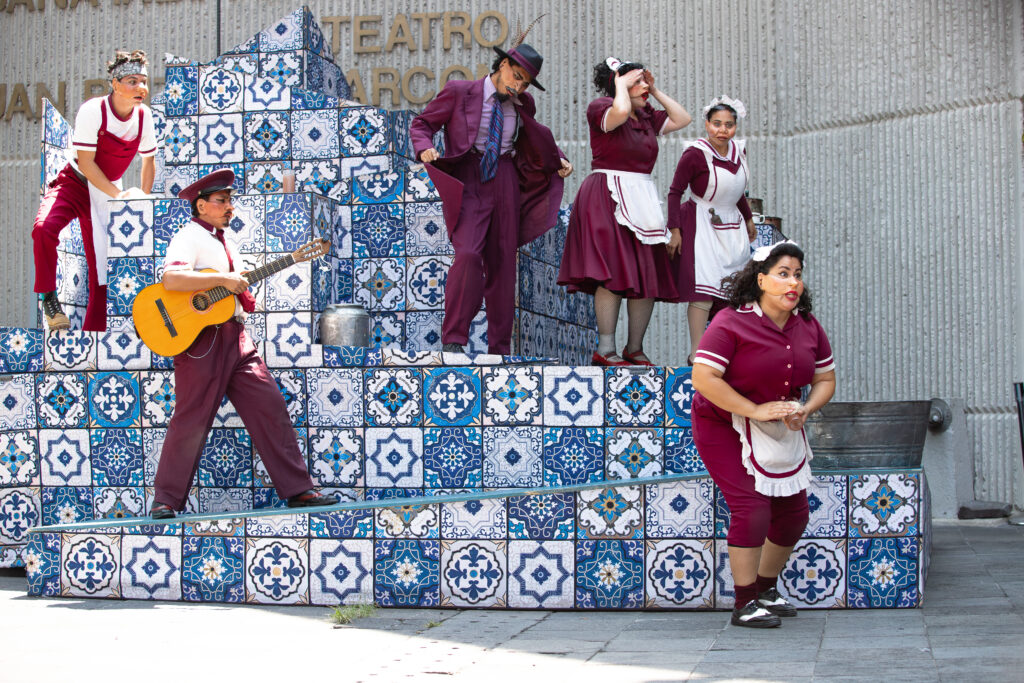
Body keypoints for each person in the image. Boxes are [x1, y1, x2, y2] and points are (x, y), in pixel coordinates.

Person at [149, 169, 338, 519]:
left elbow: (230, 287)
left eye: (230, 200)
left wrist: (247, 280)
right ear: (201, 205)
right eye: (221, 201)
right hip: (202, 341)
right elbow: (171, 278)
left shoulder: (227, 242)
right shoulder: (189, 236)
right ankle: (165, 501)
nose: (228, 206)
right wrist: (225, 279)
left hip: (236, 337)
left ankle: (299, 490)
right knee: (191, 418)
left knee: (270, 407)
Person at [690, 241, 836, 627]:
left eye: (798, 275)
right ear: (761, 280)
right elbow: (703, 377)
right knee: (751, 507)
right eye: (783, 274)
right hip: (722, 423)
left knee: (793, 514)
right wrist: (753, 409)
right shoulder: (730, 322)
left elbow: (825, 378)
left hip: (776, 425)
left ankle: (766, 590)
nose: (793, 283)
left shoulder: (808, 326)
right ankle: (744, 602)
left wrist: (805, 408)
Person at [409, 38, 572, 355]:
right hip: (470, 176)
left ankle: (500, 349)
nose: (519, 87)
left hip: (506, 179)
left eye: (525, 83)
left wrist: (559, 157)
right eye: (517, 77)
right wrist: (424, 147)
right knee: (468, 253)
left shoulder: (522, 104)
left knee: (502, 266)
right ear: (502, 66)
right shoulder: (460, 92)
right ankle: (454, 339)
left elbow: (535, 136)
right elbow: (423, 123)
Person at [558, 57, 692, 366]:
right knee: (612, 270)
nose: (644, 85)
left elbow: (682, 118)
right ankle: (605, 349)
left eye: (645, 80)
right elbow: (617, 113)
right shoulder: (601, 107)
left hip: (642, 195)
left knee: (646, 272)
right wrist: (620, 82)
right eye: (639, 80)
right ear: (619, 82)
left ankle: (635, 348)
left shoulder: (645, 116)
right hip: (606, 194)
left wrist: (654, 91)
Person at [32, 50, 158, 332]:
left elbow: (148, 161)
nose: (141, 88)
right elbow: (87, 165)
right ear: (114, 84)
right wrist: (120, 195)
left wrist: (142, 200)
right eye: (132, 81)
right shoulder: (93, 110)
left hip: (106, 195)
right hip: (74, 182)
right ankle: (49, 298)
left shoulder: (144, 117)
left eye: (144, 82)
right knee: (43, 228)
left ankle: (92, 344)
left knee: (103, 274)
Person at [667, 95, 756, 363]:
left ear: (735, 127)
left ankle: (726, 353)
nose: (722, 130)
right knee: (704, 291)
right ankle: (697, 354)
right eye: (716, 123)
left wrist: (749, 218)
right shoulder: (696, 153)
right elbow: (674, 192)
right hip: (701, 223)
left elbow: (736, 191)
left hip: (733, 228)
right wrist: (675, 230)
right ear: (707, 124)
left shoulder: (738, 151)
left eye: (729, 125)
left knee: (734, 293)